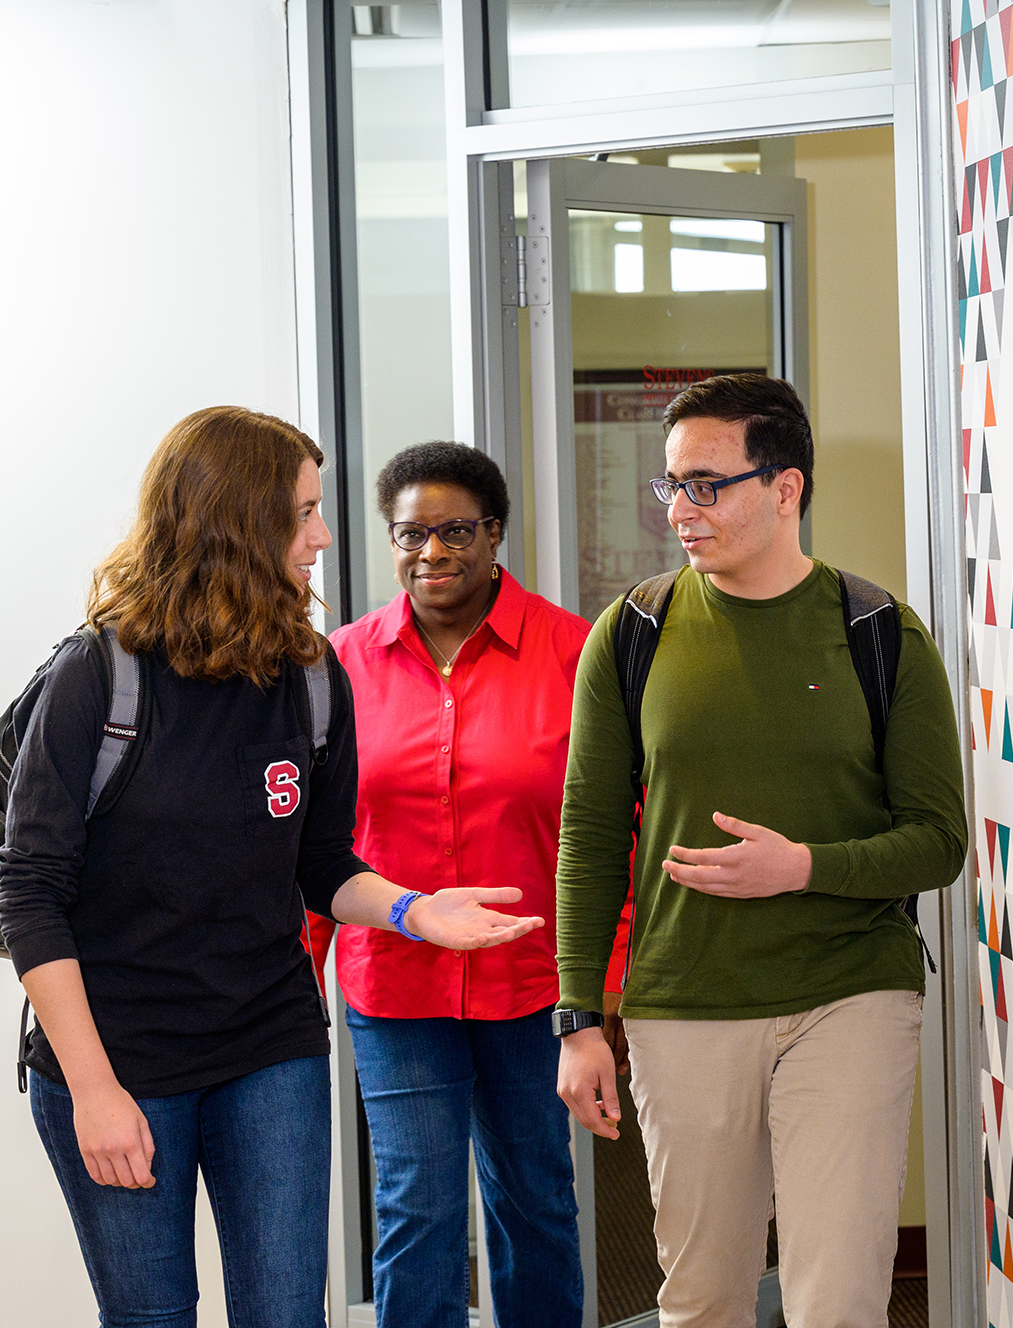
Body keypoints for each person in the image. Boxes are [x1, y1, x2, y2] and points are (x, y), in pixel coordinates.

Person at [0, 407, 541, 1328]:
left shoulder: (311, 674)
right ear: (232, 520)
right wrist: (93, 1091)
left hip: (269, 1049)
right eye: (303, 513)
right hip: (118, 1058)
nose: (323, 535)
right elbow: (30, 891)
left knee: (289, 1315)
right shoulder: (100, 675)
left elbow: (322, 863)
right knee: (153, 1315)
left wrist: (414, 911)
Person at [553, 374, 968, 1327]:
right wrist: (577, 1012)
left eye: (707, 484)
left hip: (851, 991)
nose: (681, 512)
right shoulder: (632, 633)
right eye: (670, 487)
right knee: (702, 1300)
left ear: (786, 488)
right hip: (684, 1003)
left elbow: (939, 842)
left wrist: (805, 867)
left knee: (839, 1298)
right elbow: (589, 828)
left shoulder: (878, 632)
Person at [316, 442, 623, 1328]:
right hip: (395, 983)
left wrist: (603, 989)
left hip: (536, 990)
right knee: (418, 1210)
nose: (432, 553)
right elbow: (315, 842)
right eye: (410, 534)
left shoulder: (575, 653)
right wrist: (302, 970)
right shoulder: (340, 664)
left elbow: (620, 832)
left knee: (535, 1200)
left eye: (455, 530)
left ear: (495, 533)